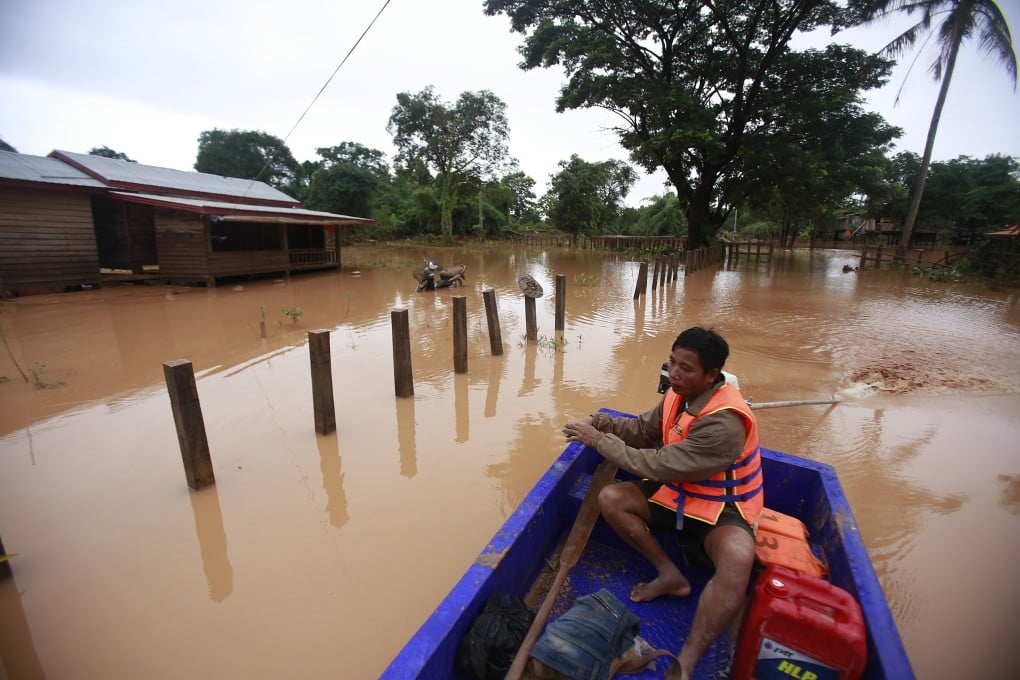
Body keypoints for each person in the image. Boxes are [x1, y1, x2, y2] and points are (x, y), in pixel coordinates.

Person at [561, 326, 763, 680]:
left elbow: (651, 463)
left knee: (738, 560)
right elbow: (643, 431)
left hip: (721, 507)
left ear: (711, 375)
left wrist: (598, 440)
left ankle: (685, 661)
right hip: (679, 492)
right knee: (611, 498)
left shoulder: (724, 425)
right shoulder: (677, 393)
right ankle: (669, 573)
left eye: (686, 367)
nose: (674, 373)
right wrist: (600, 421)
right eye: (672, 363)